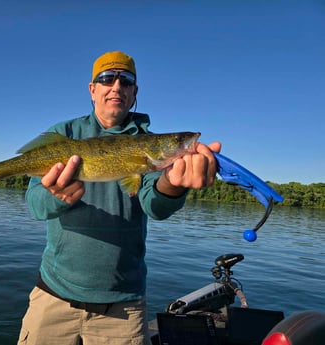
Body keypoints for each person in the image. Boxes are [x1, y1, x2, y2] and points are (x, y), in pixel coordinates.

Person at [17, 51, 221, 345]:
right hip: (53, 297)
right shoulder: (64, 134)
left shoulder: (147, 146)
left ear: (134, 91)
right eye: (106, 78)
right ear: (93, 89)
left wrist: (172, 185)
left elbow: (155, 205)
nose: (116, 86)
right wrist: (55, 196)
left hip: (124, 309)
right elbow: (36, 206)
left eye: (126, 81)